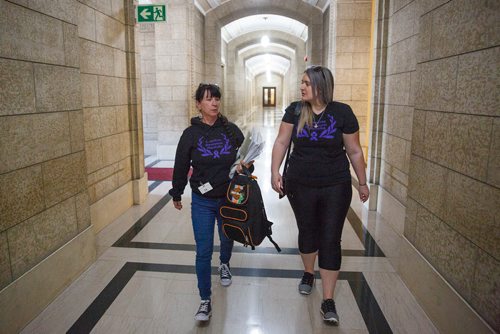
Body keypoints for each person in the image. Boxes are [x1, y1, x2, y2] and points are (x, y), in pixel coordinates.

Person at [271, 65, 369, 325]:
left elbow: (355, 151)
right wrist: (274, 171)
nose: (301, 86)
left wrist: (362, 182)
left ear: (321, 85)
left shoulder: (342, 113)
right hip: (299, 184)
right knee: (307, 232)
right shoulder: (295, 110)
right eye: (301, 82)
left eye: (306, 83)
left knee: (330, 238)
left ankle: (328, 300)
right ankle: (307, 272)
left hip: (335, 184)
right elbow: (281, 142)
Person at [169, 83, 251, 321]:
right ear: (198, 104)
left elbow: (247, 158)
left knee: (227, 239)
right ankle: (205, 299)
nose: (214, 103)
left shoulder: (231, 130)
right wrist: (176, 192)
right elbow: (181, 165)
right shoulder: (190, 134)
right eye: (208, 99)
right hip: (202, 200)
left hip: (229, 198)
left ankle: (225, 263)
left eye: (217, 98)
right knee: (203, 250)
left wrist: (245, 165)